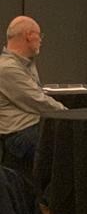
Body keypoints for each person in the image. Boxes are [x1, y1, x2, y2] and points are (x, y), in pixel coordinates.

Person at [0, 16, 65, 162]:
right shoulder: (8, 68)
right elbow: (37, 101)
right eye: (39, 35)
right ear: (29, 36)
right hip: (19, 134)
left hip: (31, 127)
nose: (40, 40)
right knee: (69, 146)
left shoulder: (25, 63)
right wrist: (68, 114)